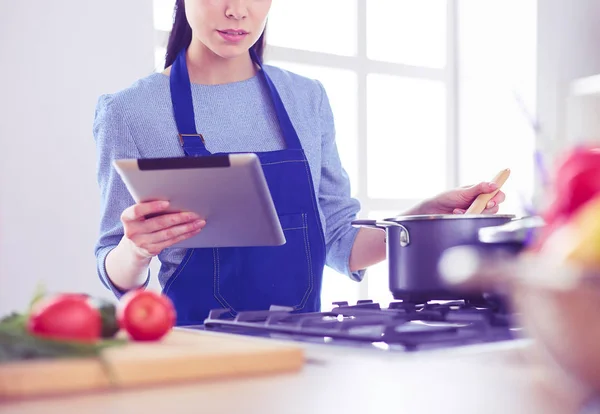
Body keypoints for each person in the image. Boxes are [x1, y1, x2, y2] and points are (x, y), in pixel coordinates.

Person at [93, 0, 506, 325]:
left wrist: (419, 222)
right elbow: (115, 267)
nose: (238, 9)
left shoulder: (306, 100)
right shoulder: (130, 112)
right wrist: (135, 248)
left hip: (303, 349)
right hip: (196, 350)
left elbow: (339, 241)